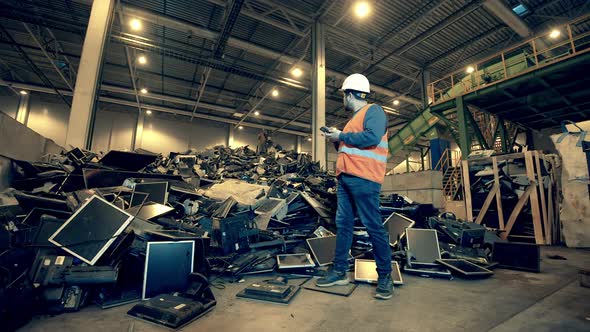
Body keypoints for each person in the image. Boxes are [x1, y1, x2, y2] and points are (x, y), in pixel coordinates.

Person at [317, 73, 393, 300]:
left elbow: (371, 138)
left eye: (343, 94)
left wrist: (342, 135)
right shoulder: (352, 121)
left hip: (365, 178)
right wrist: (336, 139)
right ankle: (339, 271)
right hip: (346, 178)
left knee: (373, 227)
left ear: (349, 94)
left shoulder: (374, 111)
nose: (343, 98)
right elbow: (348, 149)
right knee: (343, 225)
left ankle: (385, 276)